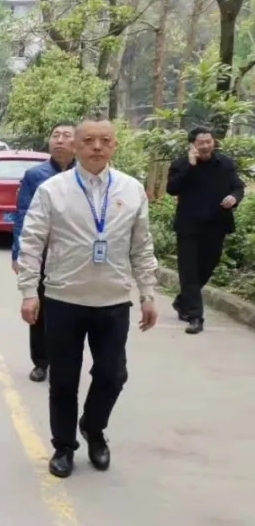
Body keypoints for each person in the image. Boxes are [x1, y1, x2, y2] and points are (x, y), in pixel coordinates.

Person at [16, 117, 158, 479]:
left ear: (114, 145)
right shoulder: (53, 190)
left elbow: (141, 245)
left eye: (105, 140)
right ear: (76, 146)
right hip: (63, 299)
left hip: (112, 300)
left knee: (113, 374)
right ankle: (64, 446)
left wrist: (147, 293)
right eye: (89, 140)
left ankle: (93, 428)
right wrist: (30, 292)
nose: (97, 147)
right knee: (63, 379)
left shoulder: (131, 189)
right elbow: (32, 242)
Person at [11, 121, 76, 382]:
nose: (59, 140)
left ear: (77, 142)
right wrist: (18, 252)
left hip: (74, 253)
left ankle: (66, 360)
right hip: (42, 251)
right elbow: (23, 214)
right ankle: (41, 362)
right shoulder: (35, 175)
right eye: (55, 135)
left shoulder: (85, 175)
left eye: (66, 135)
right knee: (39, 307)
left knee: (71, 310)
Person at [166, 126, 245, 334]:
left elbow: (238, 187)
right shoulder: (181, 165)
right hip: (189, 227)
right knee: (189, 272)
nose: (206, 146)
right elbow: (172, 189)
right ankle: (195, 317)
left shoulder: (224, 164)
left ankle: (183, 301)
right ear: (192, 145)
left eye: (208, 142)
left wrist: (234, 197)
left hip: (216, 225)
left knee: (207, 267)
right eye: (201, 143)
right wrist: (190, 166)